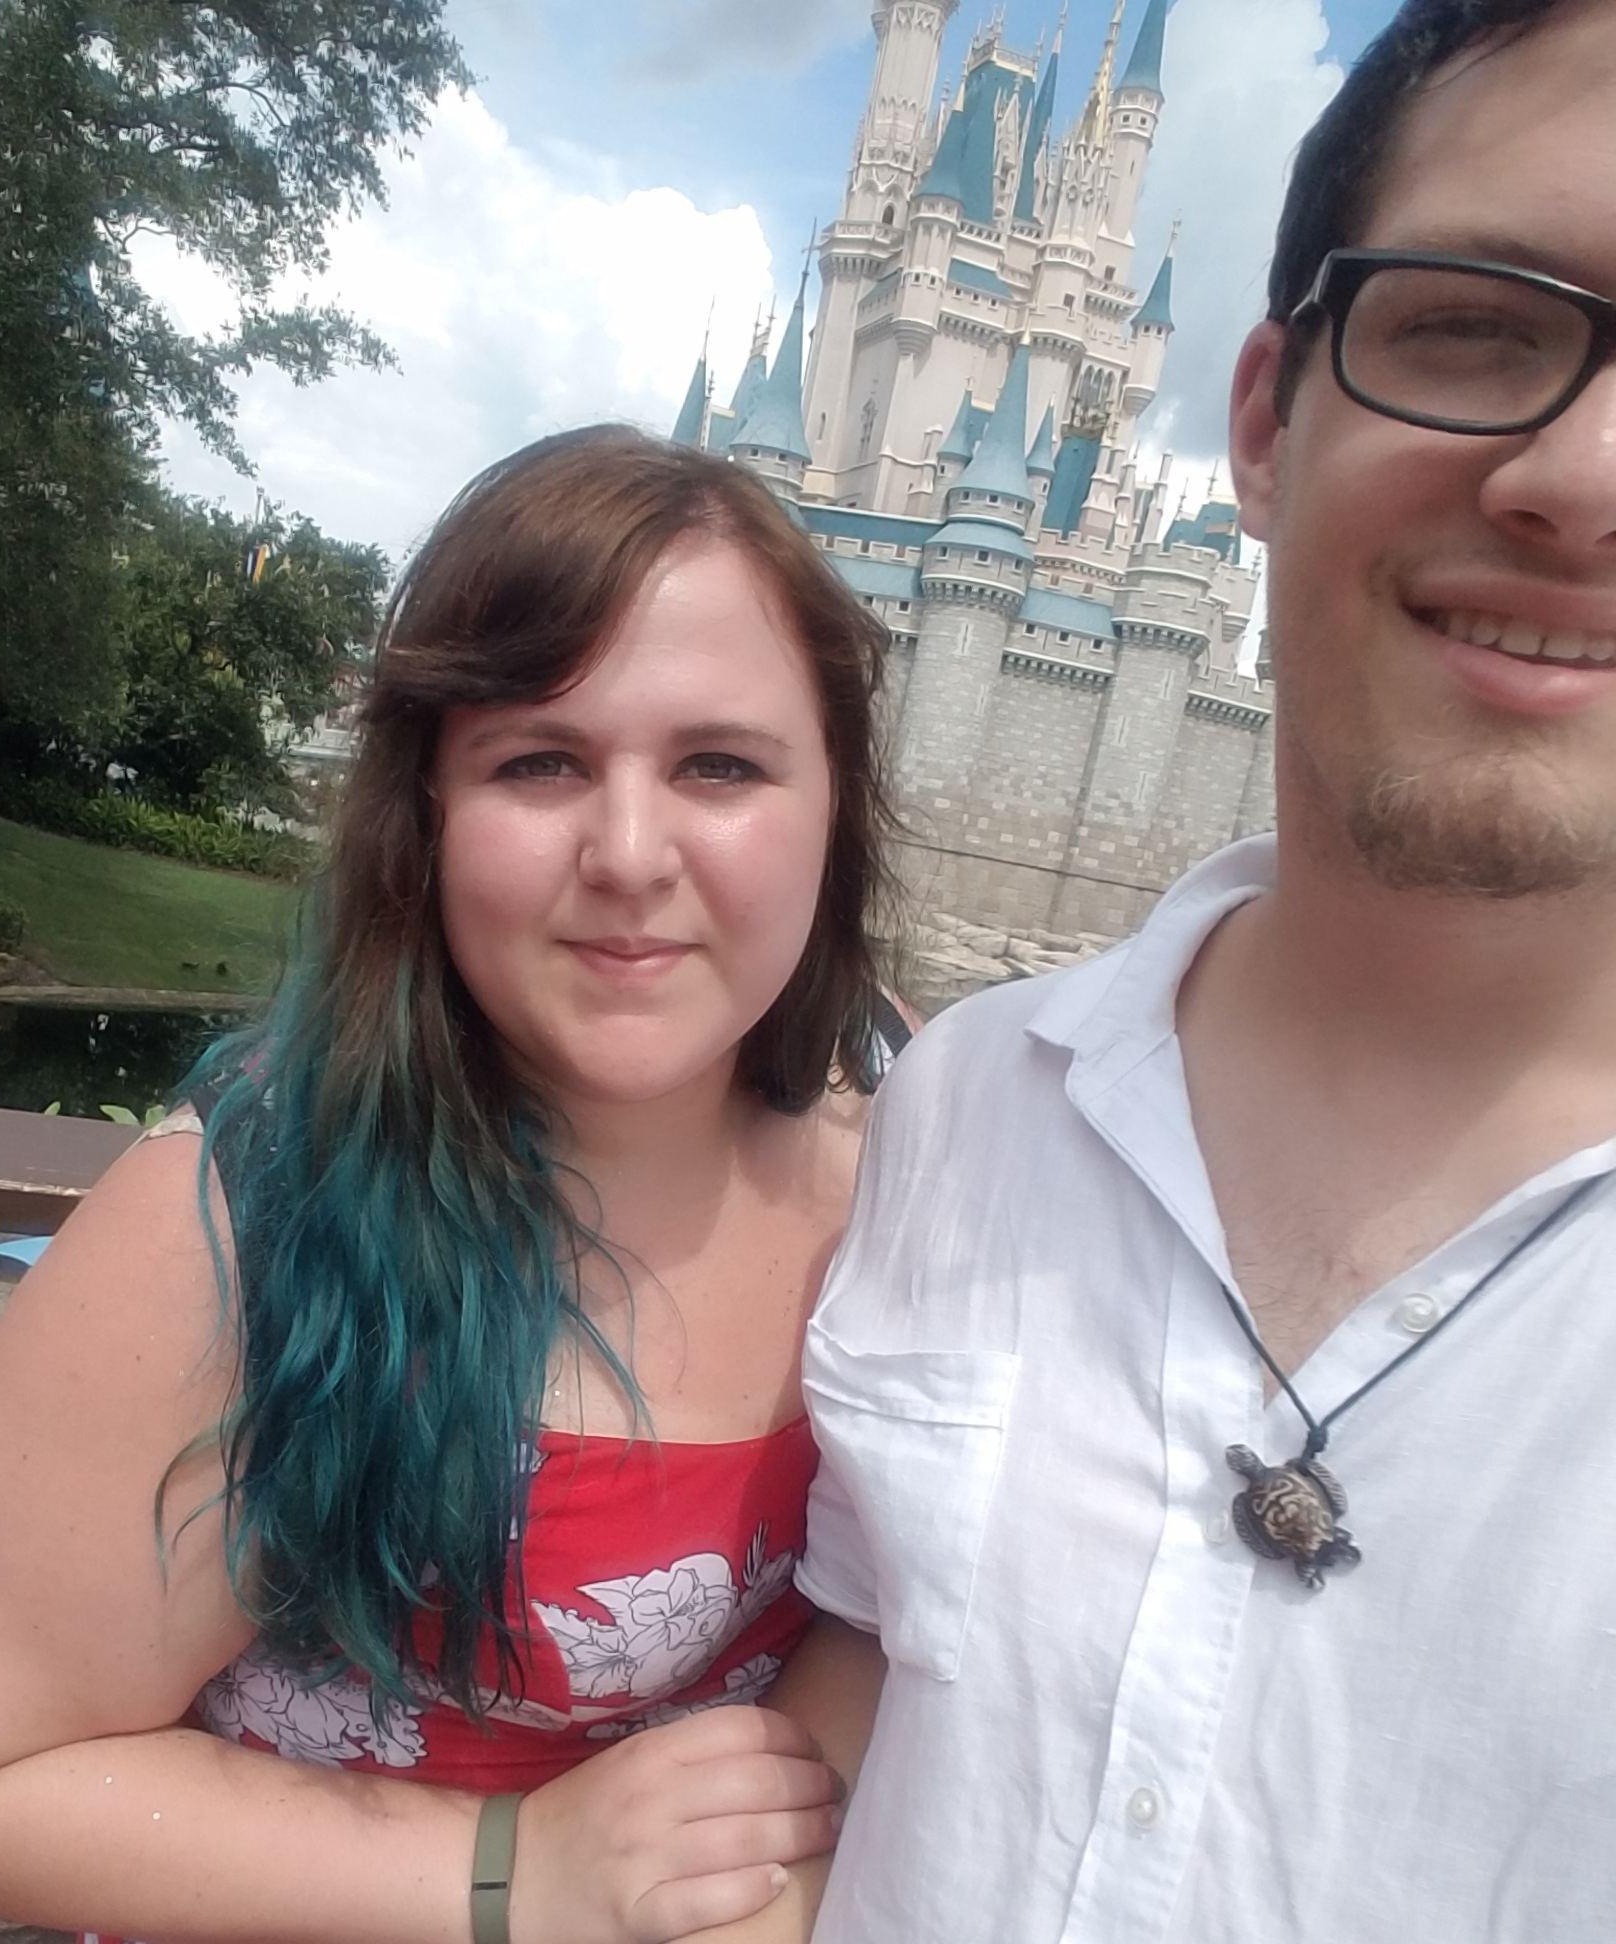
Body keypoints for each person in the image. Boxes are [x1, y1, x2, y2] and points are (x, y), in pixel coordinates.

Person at [721, 2, 1616, 1939]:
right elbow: (861, 1698)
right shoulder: (965, 1106)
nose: (1586, 473)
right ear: (1265, 424)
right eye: (1481, 324)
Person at [0, 425, 910, 1944]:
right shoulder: (236, 1226)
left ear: (833, 805)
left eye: (720, 765)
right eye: (540, 761)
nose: (630, 853)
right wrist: (518, 1872)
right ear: (426, 813)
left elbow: (899, 1617)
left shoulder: (913, 1206)